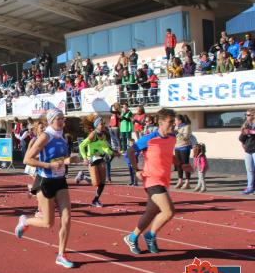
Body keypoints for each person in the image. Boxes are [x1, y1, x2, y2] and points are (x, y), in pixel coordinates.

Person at [14, 109, 79, 269]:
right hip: (45, 181)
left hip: (60, 181)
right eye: (59, 119)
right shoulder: (45, 136)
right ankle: (25, 221)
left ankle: (61, 254)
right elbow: (27, 159)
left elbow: (61, 159)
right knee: (48, 223)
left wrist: (71, 159)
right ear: (51, 121)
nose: (62, 121)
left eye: (63, 118)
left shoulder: (62, 137)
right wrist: (48, 165)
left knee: (67, 217)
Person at [123, 108, 180, 254]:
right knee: (168, 212)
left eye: (174, 121)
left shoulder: (172, 137)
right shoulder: (150, 138)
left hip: (163, 180)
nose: (174, 125)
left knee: (150, 213)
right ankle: (150, 235)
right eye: (171, 122)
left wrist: (180, 163)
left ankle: (132, 237)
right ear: (160, 123)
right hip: (151, 180)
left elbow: (168, 155)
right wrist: (136, 170)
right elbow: (130, 151)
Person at [79, 116, 115, 208]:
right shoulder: (93, 135)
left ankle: (95, 200)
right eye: (101, 124)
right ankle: (83, 176)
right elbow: (81, 146)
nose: (103, 125)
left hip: (100, 158)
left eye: (103, 124)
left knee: (102, 182)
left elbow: (104, 147)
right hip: (92, 159)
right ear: (96, 125)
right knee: (96, 183)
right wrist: (84, 158)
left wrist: (112, 153)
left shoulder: (103, 135)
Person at [174, 114, 193, 190]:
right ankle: (180, 180)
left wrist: (177, 133)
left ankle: (187, 182)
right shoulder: (176, 127)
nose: (174, 122)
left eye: (175, 120)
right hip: (177, 147)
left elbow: (186, 137)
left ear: (180, 121)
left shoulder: (186, 126)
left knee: (185, 164)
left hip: (184, 147)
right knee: (178, 165)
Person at [239, 110, 255, 194]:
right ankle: (250, 187)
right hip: (248, 150)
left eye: (248, 115)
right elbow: (241, 138)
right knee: (250, 170)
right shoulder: (246, 125)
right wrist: (243, 134)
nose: (247, 116)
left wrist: (250, 132)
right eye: (246, 115)